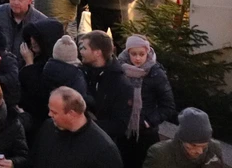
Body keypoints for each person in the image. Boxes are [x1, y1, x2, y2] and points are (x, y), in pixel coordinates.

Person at [118, 34, 176, 168]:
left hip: (146, 134)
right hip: (123, 131)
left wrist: (148, 122)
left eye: (141, 54)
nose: (138, 58)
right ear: (127, 52)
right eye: (133, 54)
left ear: (147, 52)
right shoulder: (120, 69)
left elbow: (168, 106)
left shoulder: (156, 73)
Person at [33, 88, 123, 168]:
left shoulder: (103, 149)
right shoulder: (48, 128)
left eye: (54, 112)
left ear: (71, 114)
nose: (49, 114)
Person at [79, 30, 134, 146]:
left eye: (84, 48)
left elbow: (119, 125)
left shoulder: (121, 84)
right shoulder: (82, 72)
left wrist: (85, 124)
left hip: (101, 144)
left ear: (97, 53)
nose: (81, 51)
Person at [17, 19, 68, 123]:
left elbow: (38, 93)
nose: (32, 41)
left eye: (37, 38)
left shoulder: (54, 64)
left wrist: (29, 64)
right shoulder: (32, 56)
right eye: (31, 37)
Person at [142, 108, 221, 168]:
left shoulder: (214, 148)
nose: (200, 151)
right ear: (182, 139)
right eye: (194, 145)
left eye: (204, 146)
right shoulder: (159, 154)